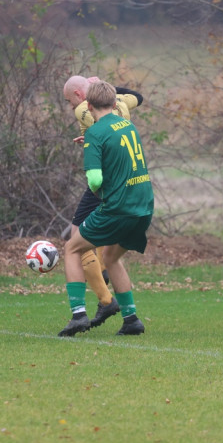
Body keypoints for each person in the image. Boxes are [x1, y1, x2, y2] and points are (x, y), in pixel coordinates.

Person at [58, 80, 154, 337]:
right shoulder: (128, 125)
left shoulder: (95, 133)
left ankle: (78, 314)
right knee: (110, 258)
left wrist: (91, 150)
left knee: (72, 249)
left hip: (119, 208)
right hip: (144, 206)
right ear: (115, 103)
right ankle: (131, 319)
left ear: (88, 105)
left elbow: (96, 180)